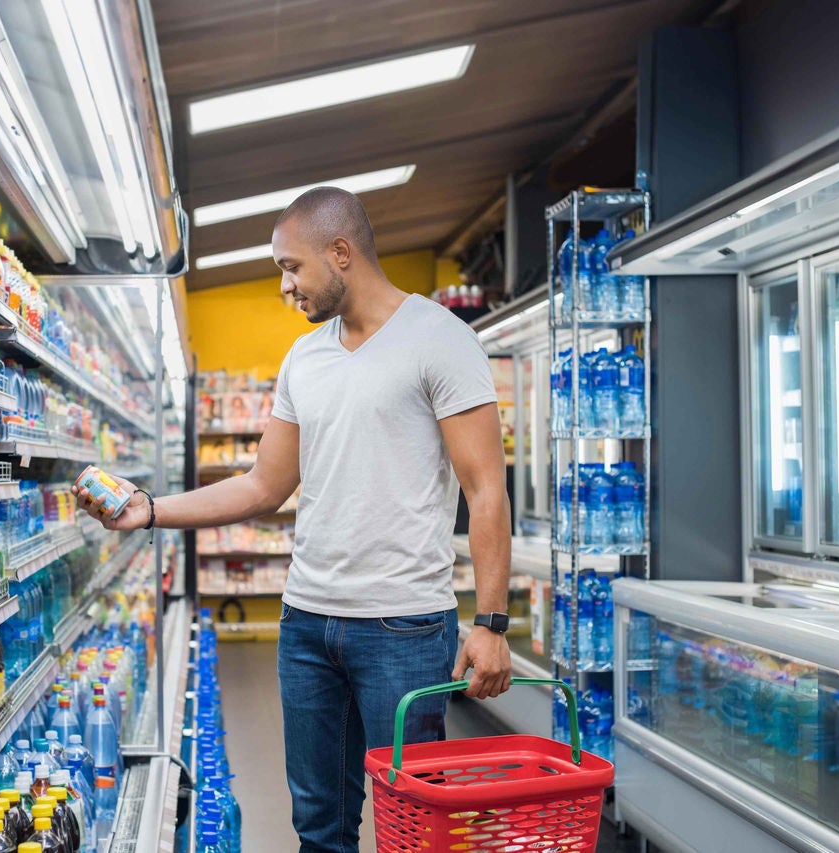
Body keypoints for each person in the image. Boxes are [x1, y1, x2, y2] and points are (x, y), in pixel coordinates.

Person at [74, 187, 513, 853]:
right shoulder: (303, 359)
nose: (284, 286)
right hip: (307, 624)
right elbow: (261, 486)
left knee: (414, 830)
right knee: (318, 826)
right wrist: (152, 510)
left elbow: (486, 489)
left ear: (341, 253)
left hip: (403, 625)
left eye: (290, 266)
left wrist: (491, 621)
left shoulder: (439, 339)